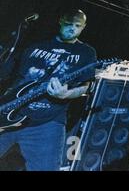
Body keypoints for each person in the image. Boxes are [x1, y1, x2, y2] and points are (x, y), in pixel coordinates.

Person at [0, 9, 97, 171]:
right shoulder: (37, 46)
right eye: (68, 24)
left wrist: (66, 94)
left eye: (77, 25)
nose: (72, 28)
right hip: (9, 112)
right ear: (60, 21)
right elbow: (15, 79)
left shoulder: (85, 52)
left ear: (83, 27)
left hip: (47, 123)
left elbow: (85, 86)